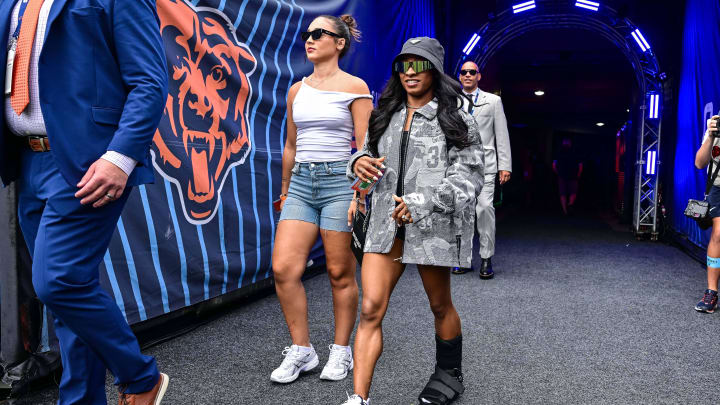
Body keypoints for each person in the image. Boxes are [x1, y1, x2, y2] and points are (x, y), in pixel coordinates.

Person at [0, 0, 169, 403]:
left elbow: (149, 80)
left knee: (57, 281)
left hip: (87, 162)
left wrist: (120, 157)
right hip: (26, 160)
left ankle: (142, 377)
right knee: (68, 292)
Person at [342, 37, 484, 405]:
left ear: (434, 70)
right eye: (403, 65)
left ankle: (449, 373)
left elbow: (469, 175)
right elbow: (365, 156)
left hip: (432, 228)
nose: (410, 73)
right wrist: (357, 165)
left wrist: (426, 201)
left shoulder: (456, 117)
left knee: (440, 305)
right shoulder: (383, 114)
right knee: (371, 307)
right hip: (385, 227)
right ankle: (359, 398)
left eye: (419, 65)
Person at [270, 14, 373, 384]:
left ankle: (341, 351)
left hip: (339, 183)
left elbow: (366, 147)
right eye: (307, 35)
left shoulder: (355, 87)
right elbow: (290, 144)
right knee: (284, 269)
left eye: (318, 34)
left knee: (338, 272)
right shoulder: (296, 91)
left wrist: (359, 196)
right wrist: (284, 191)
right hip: (301, 182)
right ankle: (302, 350)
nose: (309, 40)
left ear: (339, 43)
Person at [452, 61, 511, 279]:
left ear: (479, 76)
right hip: (459, 166)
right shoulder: (451, 101)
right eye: (464, 72)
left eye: (472, 72)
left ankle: (486, 258)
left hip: (486, 165)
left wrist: (505, 165)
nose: (467, 75)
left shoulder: (493, 101)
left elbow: (501, 134)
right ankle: (463, 259)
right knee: (462, 212)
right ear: (459, 76)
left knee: (485, 208)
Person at [694, 115, 720, 313]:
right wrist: (711, 135)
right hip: (718, 187)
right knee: (718, 234)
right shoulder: (715, 127)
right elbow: (699, 163)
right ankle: (711, 292)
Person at [553, 137, 583, 215]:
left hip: (568, 176)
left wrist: (558, 173)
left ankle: (566, 209)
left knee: (566, 193)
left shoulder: (562, 152)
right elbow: (580, 166)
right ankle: (568, 207)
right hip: (569, 176)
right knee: (569, 192)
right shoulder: (562, 152)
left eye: (567, 142)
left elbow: (554, 165)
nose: (566, 143)